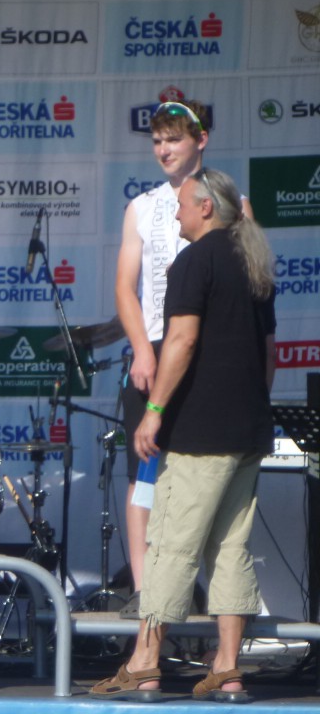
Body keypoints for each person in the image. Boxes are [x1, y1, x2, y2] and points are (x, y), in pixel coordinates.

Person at [93, 168, 276, 703]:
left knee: (171, 545)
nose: (174, 213)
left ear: (205, 208)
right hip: (247, 430)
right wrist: (252, 406)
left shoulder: (194, 261)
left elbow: (180, 341)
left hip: (200, 433)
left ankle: (144, 664)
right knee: (231, 547)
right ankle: (227, 669)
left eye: (182, 205)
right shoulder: (255, 263)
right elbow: (269, 352)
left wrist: (153, 411)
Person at [114, 98, 253, 616]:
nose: (164, 149)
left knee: (206, 480)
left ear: (201, 141)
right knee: (144, 477)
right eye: (157, 141)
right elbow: (125, 288)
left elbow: (252, 280)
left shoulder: (232, 203)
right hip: (155, 349)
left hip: (210, 355)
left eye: (174, 139)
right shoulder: (141, 206)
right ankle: (145, 593)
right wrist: (140, 350)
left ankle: (201, 600)